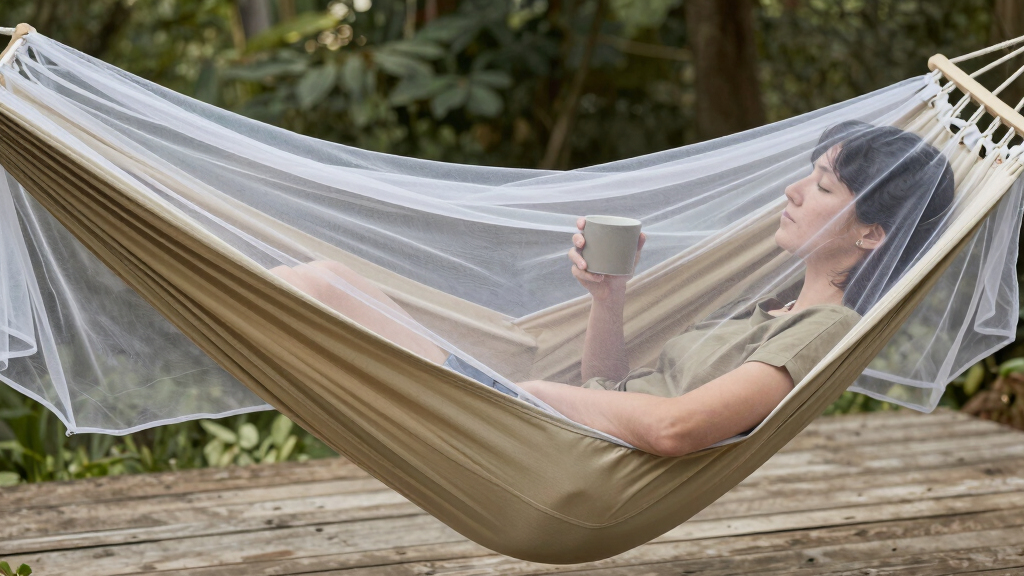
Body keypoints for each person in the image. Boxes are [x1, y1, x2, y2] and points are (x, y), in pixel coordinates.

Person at [270, 120, 954, 458]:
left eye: (824, 186)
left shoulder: (826, 330)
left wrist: (532, 397)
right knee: (314, 282)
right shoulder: (773, 309)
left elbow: (674, 427)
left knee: (316, 289)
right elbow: (618, 392)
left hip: (544, 434)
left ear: (870, 234)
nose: (794, 189)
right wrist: (608, 300)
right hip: (556, 427)